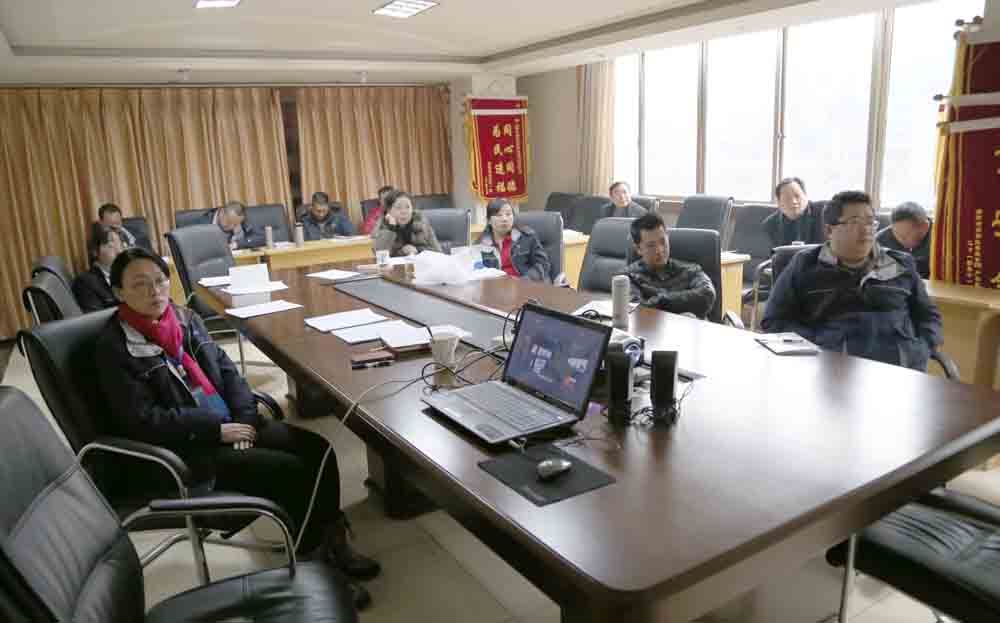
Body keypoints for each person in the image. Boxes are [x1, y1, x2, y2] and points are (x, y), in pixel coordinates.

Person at [93, 248, 379, 609]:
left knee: (318, 450)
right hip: (187, 450)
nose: (155, 291)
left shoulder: (184, 319)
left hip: (231, 423)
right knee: (289, 471)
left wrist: (243, 418)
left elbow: (228, 372)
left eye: (160, 281)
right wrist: (216, 430)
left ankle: (332, 540)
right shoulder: (114, 348)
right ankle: (313, 568)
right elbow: (142, 420)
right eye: (140, 284)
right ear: (119, 292)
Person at [761, 191, 942, 371]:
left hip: (901, 371)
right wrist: (818, 346)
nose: (866, 229)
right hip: (832, 371)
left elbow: (928, 315)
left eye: (870, 222)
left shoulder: (900, 263)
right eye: (855, 222)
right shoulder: (806, 265)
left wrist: (922, 347)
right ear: (829, 230)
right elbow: (774, 321)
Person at [623, 212, 716, 319]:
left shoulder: (691, 270)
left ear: (668, 238)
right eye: (651, 245)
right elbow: (637, 312)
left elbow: (708, 294)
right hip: (651, 328)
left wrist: (661, 299)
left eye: (663, 242)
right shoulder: (627, 277)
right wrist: (680, 306)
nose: (659, 250)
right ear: (638, 249)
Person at [476, 198, 552, 282]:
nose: (504, 219)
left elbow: (543, 264)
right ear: (489, 220)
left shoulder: (526, 237)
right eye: (499, 215)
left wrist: (525, 280)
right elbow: (476, 270)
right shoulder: (481, 244)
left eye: (508, 214)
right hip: (496, 286)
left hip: (525, 284)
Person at [372, 190, 441, 257]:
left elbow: (438, 252)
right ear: (389, 210)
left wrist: (417, 250)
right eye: (398, 207)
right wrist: (391, 228)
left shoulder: (420, 221)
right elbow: (379, 254)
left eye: (408, 207)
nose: (404, 212)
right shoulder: (382, 225)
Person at [72, 223, 123, 313]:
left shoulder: (126, 275)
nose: (119, 250)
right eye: (110, 244)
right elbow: (96, 318)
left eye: (119, 244)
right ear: (94, 250)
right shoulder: (85, 282)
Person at [761, 177, 825, 247]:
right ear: (779, 203)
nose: (794, 201)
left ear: (806, 196)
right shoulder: (770, 225)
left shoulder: (823, 212)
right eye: (787, 198)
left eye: (797, 196)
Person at [876, 201, 932, 278]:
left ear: (925, 227)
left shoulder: (941, 239)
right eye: (897, 234)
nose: (900, 240)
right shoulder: (881, 239)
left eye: (905, 236)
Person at [200, 201, 264, 250]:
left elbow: (261, 237)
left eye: (235, 224)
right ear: (221, 212)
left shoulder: (242, 219)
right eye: (229, 222)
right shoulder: (203, 223)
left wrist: (237, 244)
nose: (231, 226)